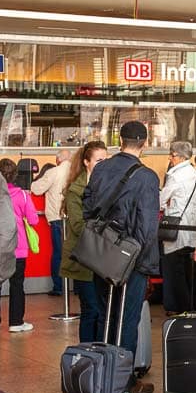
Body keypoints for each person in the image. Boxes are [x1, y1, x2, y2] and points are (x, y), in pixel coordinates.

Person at [83, 121, 161, 393]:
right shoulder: (147, 177)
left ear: (119, 139)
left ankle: (102, 372)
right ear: (145, 142)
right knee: (126, 319)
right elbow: (148, 226)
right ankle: (121, 380)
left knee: (106, 313)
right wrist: (140, 257)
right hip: (131, 257)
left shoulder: (101, 168)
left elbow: (88, 205)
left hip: (101, 253)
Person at [62, 141, 108, 343]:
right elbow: (78, 226)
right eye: (99, 160)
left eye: (106, 160)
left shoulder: (107, 186)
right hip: (83, 259)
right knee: (92, 310)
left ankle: (100, 354)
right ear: (86, 162)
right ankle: (88, 353)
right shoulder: (75, 190)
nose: (103, 164)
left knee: (102, 310)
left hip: (102, 260)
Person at [0, 158, 40, 333]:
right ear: (15, 175)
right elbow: (33, 219)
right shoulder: (23, 195)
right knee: (17, 285)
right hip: (18, 247)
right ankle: (16, 322)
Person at [160, 140, 196, 315]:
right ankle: (194, 305)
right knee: (188, 269)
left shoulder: (175, 175)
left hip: (177, 227)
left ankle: (178, 306)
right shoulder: (195, 173)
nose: (170, 158)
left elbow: (162, 200)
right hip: (193, 227)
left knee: (174, 269)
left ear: (177, 156)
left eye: (171, 155)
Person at [30, 149, 72, 296]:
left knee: (58, 254)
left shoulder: (54, 172)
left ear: (57, 160)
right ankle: (78, 287)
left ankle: (59, 287)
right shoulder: (77, 171)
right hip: (74, 218)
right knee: (77, 253)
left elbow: (36, 189)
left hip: (58, 217)